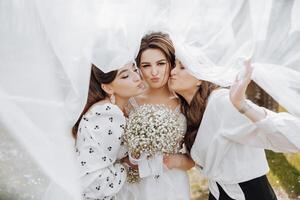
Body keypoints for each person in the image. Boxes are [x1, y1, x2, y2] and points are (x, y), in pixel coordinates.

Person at [168, 58, 300, 200]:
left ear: (201, 77)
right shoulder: (186, 112)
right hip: (217, 193)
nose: (172, 72)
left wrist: (240, 104)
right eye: (173, 65)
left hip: (248, 194)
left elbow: (284, 136)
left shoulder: (222, 102)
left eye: (182, 67)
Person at [126, 32, 194, 200]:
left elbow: (195, 159)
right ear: (138, 68)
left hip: (173, 186)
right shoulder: (129, 103)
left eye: (161, 63)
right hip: (136, 185)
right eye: (146, 65)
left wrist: (173, 161)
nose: (154, 72)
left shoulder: (185, 103)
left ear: (171, 63)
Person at [72, 62, 145, 200]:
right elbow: (91, 180)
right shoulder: (107, 113)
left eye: (135, 69)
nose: (136, 77)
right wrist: (126, 166)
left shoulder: (122, 109)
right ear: (107, 87)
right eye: (125, 76)